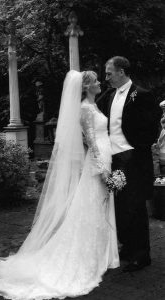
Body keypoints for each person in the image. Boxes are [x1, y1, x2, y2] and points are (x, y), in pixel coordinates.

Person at [0, 70, 119, 300]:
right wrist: (102, 168)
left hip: (105, 156)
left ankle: (103, 252)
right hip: (98, 160)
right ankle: (87, 255)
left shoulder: (94, 105)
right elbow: (91, 141)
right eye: (95, 81)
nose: (100, 82)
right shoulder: (84, 108)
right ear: (87, 87)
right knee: (91, 207)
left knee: (99, 205)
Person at [97, 56, 161, 272]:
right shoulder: (108, 95)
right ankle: (127, 246)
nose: (106, 77)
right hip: (112, 159)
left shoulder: (141, 95)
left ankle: (141, 255)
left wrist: (136, 149)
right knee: (120, 206)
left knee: (135, 207)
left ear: (122, 71)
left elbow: (152, 127)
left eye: (109, 73)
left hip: (132, 158)